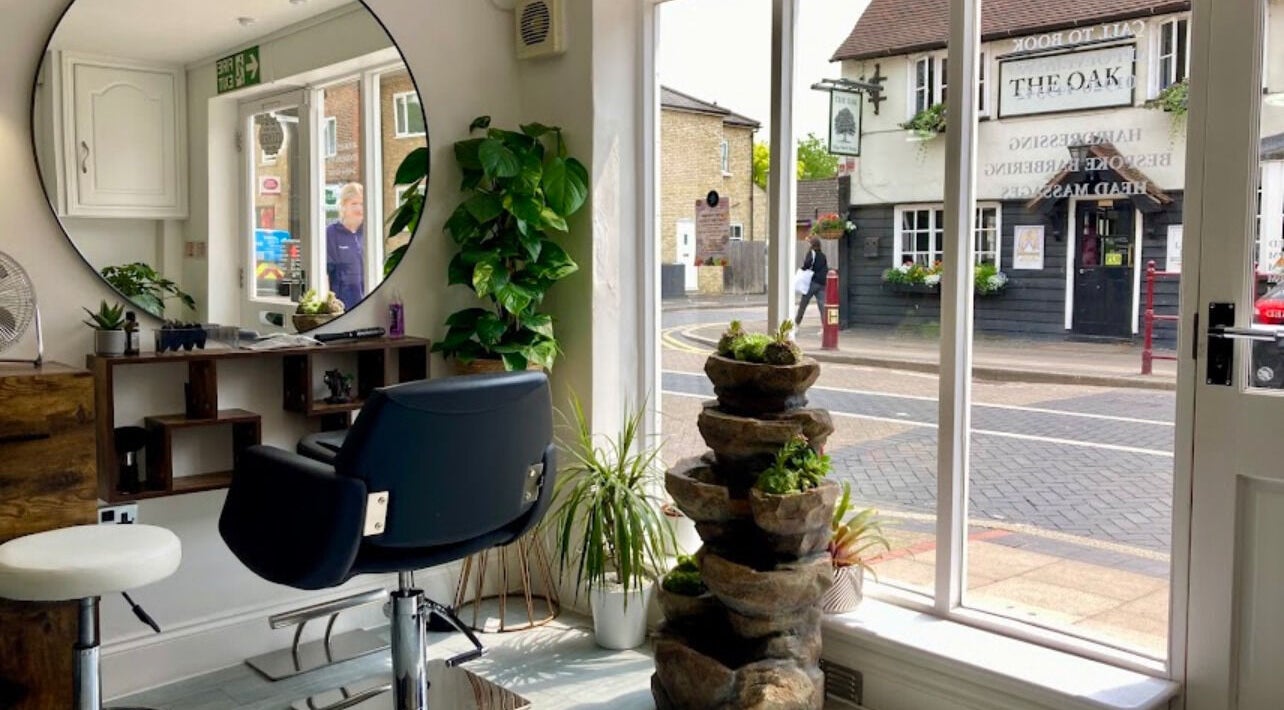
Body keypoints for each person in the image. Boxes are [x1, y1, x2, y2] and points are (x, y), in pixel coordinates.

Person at [326, 182, 365, 311]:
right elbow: (325, 273)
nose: (359, 208)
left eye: (362, 204)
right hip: (342, 307)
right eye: (354, 203)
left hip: (367, 303)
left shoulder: (370, 233)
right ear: (343, 206)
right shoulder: (331, 234)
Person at [796, 236, 828, 327]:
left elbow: (807, 264)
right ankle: (825, 327)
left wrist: (802, 269)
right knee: (822, 306)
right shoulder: (823, 255)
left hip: (812, 282)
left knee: (803, 304)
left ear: (812, 244)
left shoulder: (811, 253)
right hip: (822, 284)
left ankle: (796, 324)